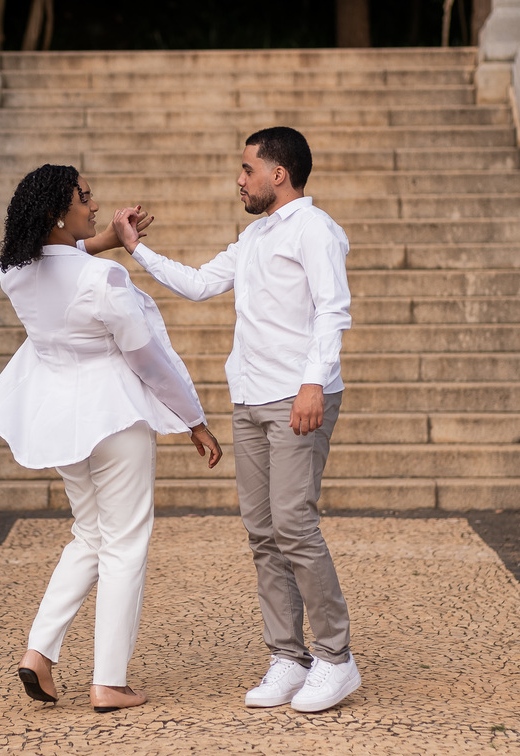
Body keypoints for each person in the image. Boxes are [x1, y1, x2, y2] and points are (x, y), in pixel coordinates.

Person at [112, 127, 359, 713]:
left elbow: (333, 310)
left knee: (294, 525)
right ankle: (288, 657)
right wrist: (135, 249)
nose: (240, 179)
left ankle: (336, 658)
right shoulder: (253, 236)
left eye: (248, 169)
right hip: (249, 398)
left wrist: (313, 383)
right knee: (263, 532)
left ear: (279, 174)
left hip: (298, 396)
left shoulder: (314, 229)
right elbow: (199, 284)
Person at [0, 164, 222, 713]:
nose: (93, 206)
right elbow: (147, 359)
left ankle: (40, 652)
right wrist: (193, 417)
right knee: (125, 543)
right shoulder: (103, 280)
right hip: (114, 418)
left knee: (89, 534)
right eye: (84, 198)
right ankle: (109, 681)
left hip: (61, 421)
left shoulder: (14, 272)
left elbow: (61, 259)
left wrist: (110, 236)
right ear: (56, 213)